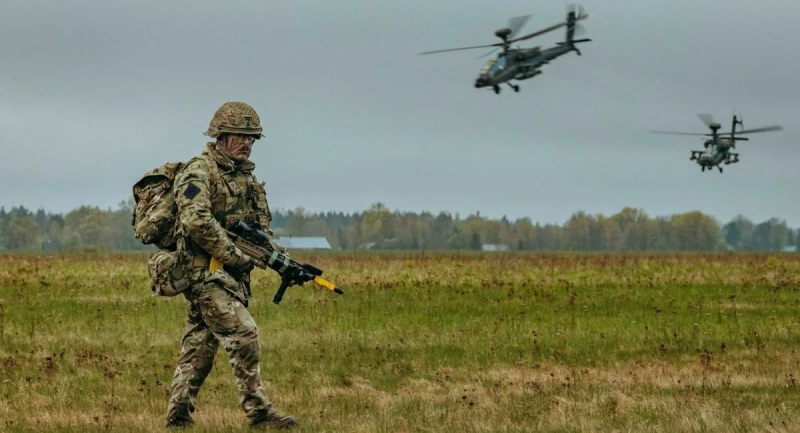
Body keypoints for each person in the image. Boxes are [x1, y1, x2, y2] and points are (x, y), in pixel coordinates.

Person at [165, 101, 297, 429]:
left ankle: (177, 418)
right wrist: (233, 255)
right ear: (221, 136)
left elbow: (256, 229)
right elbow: (195, 219)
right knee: (243, 331)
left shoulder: (245, 178)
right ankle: (260, 414)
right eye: (241, 135)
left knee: (200, 348)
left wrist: (282, 260)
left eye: (252, 137)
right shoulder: (199, 170)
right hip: (202, 273)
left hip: (227, 274)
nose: (248, 143)